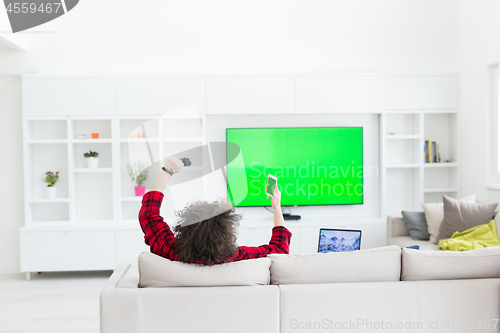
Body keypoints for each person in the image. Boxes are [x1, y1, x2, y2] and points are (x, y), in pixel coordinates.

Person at [138, 158, 292, 265]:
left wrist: (167, 171)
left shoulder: (170, 252)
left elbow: (148, 214)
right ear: (226, 231)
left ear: (185, 228)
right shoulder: (237, 258)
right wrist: (276, 206)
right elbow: (279, 250)